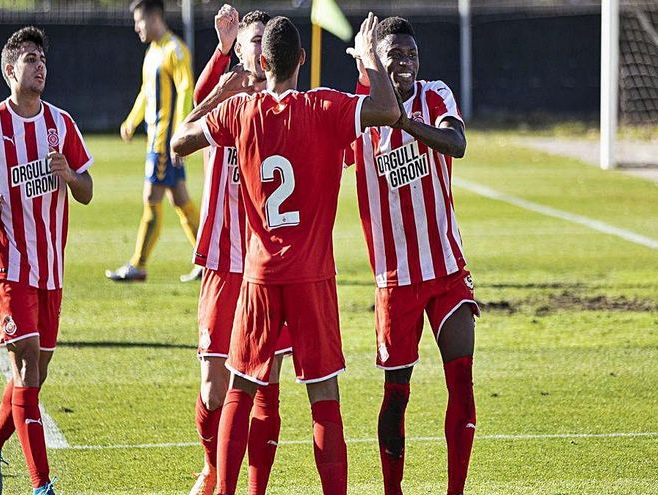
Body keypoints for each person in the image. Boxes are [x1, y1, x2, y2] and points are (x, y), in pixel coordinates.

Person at [171, 13, 399, 495]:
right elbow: (387, 109)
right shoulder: (324, 107)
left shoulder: (241, 113)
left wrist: (220, 99)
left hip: (258, 274)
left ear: (263, 60)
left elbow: (179, 141)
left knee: (240, 388)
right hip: (312, 276)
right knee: (324, 397)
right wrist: (369, 57)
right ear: (300, 59)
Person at [0, 26, 93, 495]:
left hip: (51, 270)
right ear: (10, 71)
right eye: (30, 58)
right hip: (10, 267)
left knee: (34, 375)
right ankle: (42, 485)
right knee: (26, 368)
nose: (40, 65)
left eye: (42, 57)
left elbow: (87, 192)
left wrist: (69, 175)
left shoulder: (61, 124)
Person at [344, 16, 478, 495]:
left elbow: (457, 144)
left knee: (461, 381)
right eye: (394, 55)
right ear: (376, 60)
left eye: (410, 55)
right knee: (396, 396)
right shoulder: (358, 113)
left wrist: (404, 121)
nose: (405, 62)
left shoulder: (435, 94)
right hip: (394, 279)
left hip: (446, 268)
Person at [184, 5, 291, 495]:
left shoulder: (286, 101)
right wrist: (222, 52)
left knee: (267, 386)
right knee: (213, 386)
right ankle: (211, 465)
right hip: (223, 263)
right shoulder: (223, 91)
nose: (257, 48)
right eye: (250, 40)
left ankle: (254, 489)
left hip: (269, 265)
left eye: (261, 40)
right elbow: (182, 133)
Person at [106, 0, 201, 283]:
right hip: (155, 140)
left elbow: (187, 90)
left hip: (164, 142)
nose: (137, 27)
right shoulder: (153, 53)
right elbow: (146, 93)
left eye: (140, 20)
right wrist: (132, 121)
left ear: (155, 16)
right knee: (180, 199)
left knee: (152, 197)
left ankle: (138, 264)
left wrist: (180, 134)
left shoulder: (175, 50)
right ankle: (208, 260)